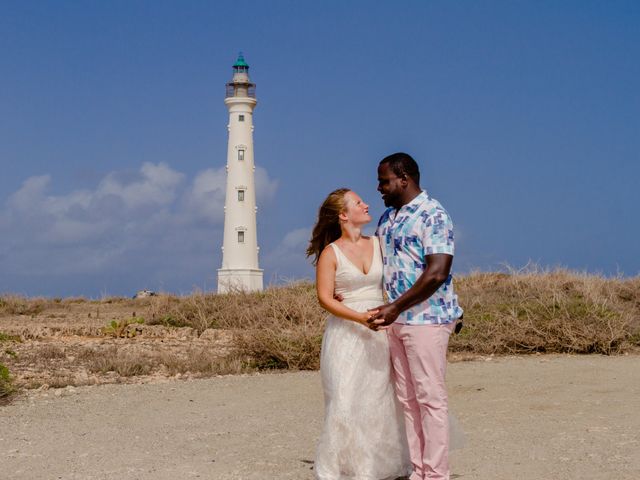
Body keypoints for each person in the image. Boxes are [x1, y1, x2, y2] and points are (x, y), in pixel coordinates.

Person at [368, 153, 464, 480]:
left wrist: (396, 306)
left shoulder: (433, 215)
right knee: (407, 400)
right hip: (396, 322)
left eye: (385, 181)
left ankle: (437, 475)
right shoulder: (386, 219)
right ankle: (418, 471)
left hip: (428, 319)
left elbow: (437, 272)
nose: (379, 187)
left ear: (404, 178)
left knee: (430, 399)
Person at [307, 188, 411, 480]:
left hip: (380, 328)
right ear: (343, 214)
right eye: (358, 202)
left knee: (379, 397)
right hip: (346, 333)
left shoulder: (379, 243)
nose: (367, 205)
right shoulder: (332, 253)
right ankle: (344, 466)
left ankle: (379, 464)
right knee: (345, 397)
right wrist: (359, 318)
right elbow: (325, 298)